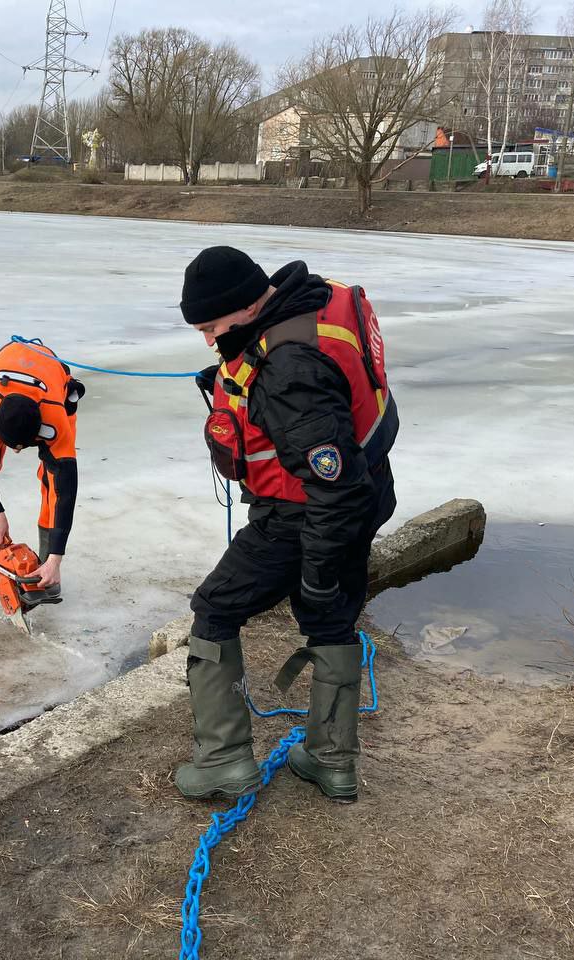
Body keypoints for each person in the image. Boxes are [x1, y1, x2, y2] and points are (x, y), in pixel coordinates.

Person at [176, 247, 399, 803]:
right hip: (368, 491)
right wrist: (241, 378)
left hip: (307, 514)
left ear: (248, 304)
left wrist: (318, 570)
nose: (208, 339)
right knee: (332, 619)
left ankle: (224, 761)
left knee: (215, 609)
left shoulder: (289, 370)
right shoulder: (310, 299)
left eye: (212, 327)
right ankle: (332, 762)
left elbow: (331, 482)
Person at [0, 339, 85, 593]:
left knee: (52, 484)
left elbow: (66, 490)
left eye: (22, 446)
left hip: (52, 385)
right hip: (0, 385)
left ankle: (45, 567)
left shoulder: (55, 418)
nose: (17, 452)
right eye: (14, 446)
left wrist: (56, 558)